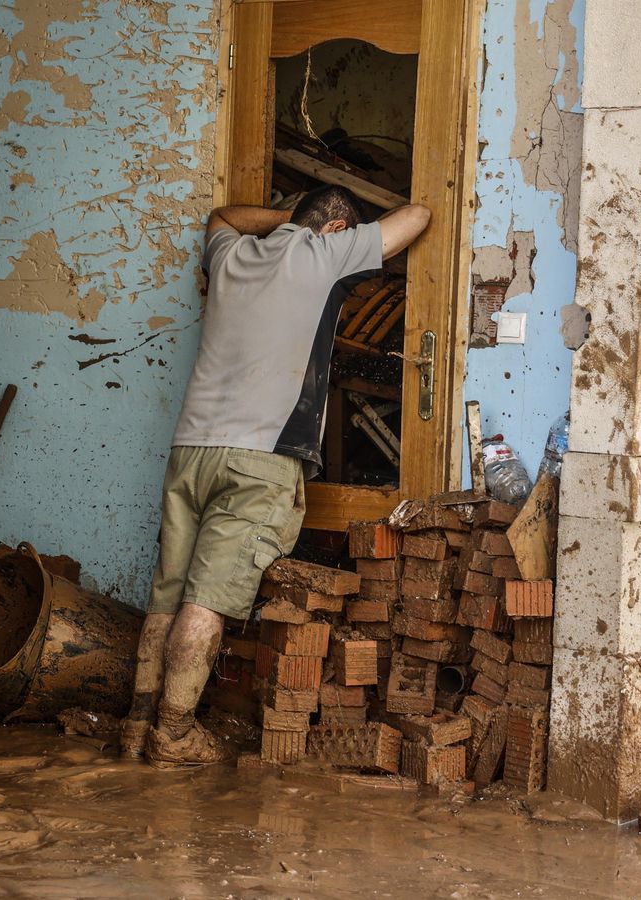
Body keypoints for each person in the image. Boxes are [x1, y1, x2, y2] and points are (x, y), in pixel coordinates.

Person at [122, 185, 432, 768]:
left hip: (190, 449)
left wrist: (285, 218)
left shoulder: (232, 254)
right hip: (257, 457)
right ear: (338, 229)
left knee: (166, 597)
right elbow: (417, 215)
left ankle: (136, 726)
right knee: (207, 601)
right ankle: (174, 732)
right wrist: (314, 231)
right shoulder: (323, 253)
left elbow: (222, 216)